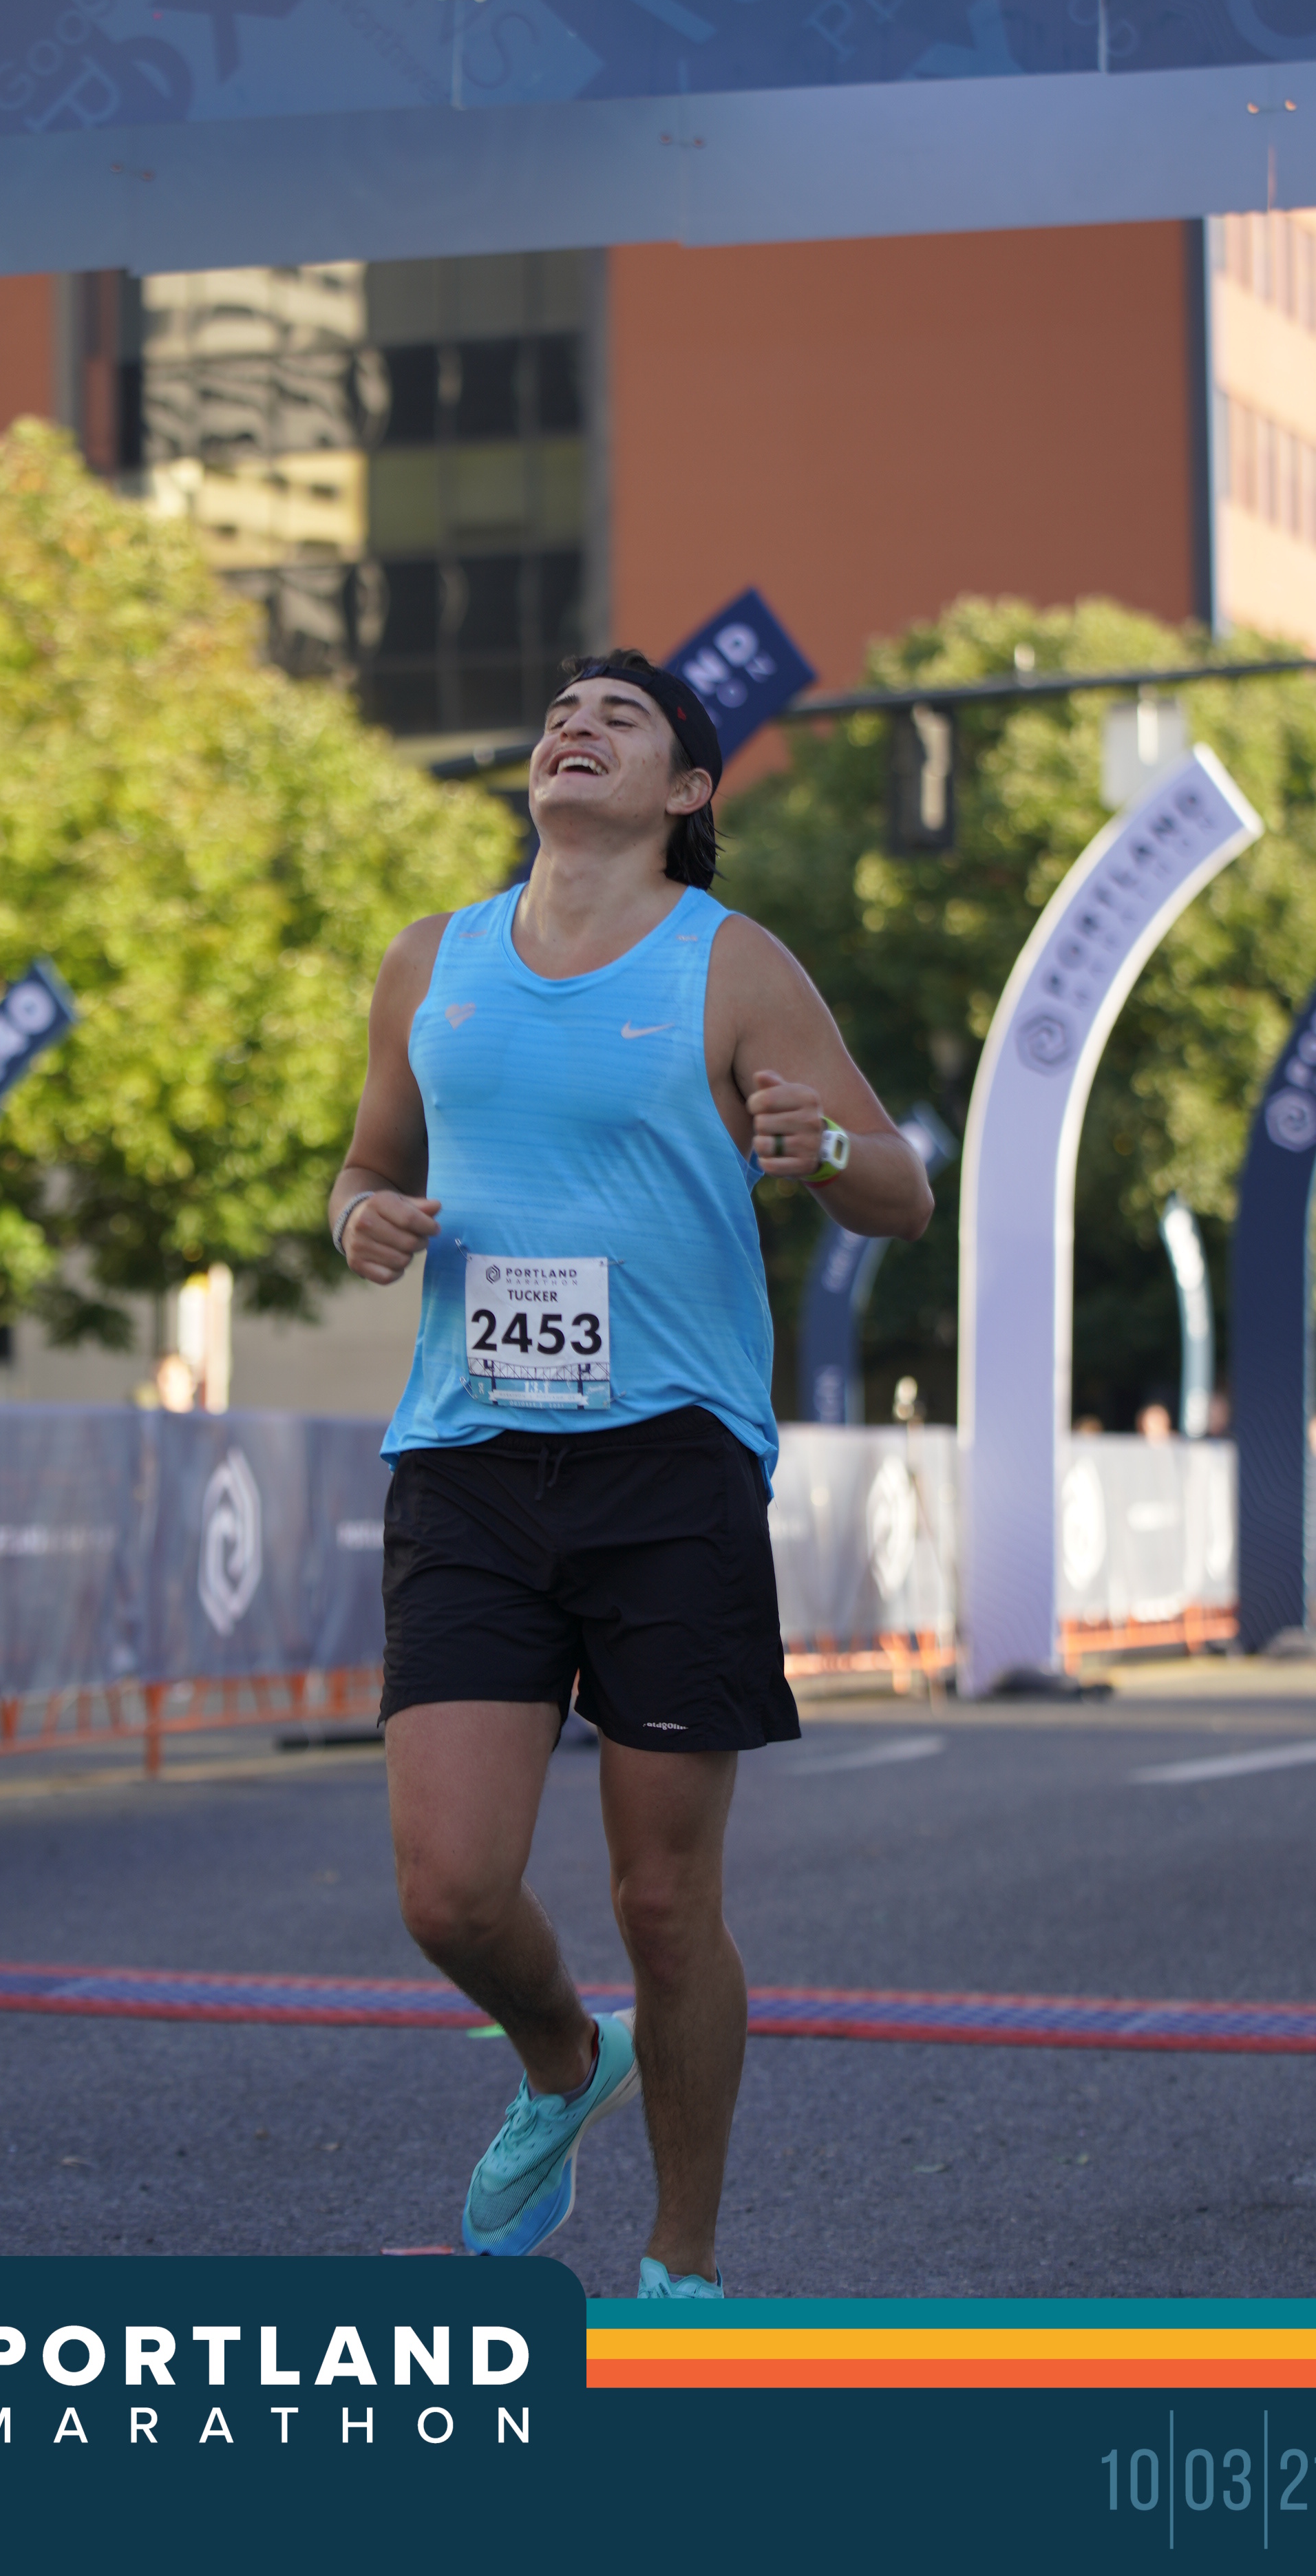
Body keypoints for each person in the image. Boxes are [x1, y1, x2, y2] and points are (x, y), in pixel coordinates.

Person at [330, 648, 933, 2298]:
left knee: (663, 1903)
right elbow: (366, 1164)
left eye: (619, 718)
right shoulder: (431, 960)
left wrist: (822, 1148)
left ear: (685, 791)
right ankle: (558, 2056)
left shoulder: (725, 961)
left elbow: (897, 1188)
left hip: (668, 1462)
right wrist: (359, 1218)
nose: (573, 728)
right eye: (557, 715)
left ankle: (681, 2264)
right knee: (449, 1890)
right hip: (466, 1455)